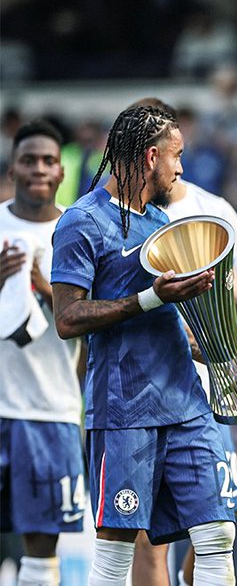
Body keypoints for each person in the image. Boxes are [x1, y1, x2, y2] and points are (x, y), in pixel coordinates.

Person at [49, 102, 237, 586]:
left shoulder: (163, 223)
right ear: (151, 156)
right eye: (177, 156)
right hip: (123, 411)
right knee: (116, 546)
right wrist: (149, 298)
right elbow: (68, 318)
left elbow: (171, 315)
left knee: (218, 535)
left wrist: (213, 347)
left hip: (187, 404)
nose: (181, 167)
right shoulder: (81, 221)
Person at [128, 98, 237, 586]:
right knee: (145, 535)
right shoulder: (115, 217)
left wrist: (211, 297)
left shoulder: (213, 209)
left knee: (217, 522)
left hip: (204, 390)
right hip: (139, 392)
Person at [0, 122, 85, 586]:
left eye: (48, 160)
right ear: (13, 166)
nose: (38, 168)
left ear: (61, 169)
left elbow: (96, 323)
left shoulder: (78, 229)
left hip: (50, 409)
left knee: (41, 547)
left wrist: (45, 289)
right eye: (29, 159)